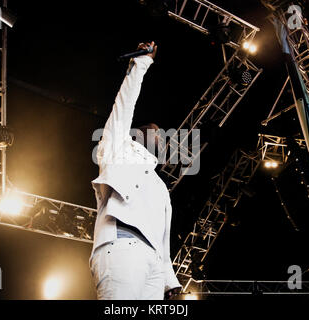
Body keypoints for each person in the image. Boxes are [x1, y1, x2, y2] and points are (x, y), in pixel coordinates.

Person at [89, 41, 182, 300]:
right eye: (153, 130)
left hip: (153, 259)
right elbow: (123, 108)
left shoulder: (160, 185)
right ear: (134, 135)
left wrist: (169, 279)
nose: (160, 135)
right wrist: (141, 64)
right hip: (120, 246)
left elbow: (164, 237)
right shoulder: (117, 150)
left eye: (161, 135)